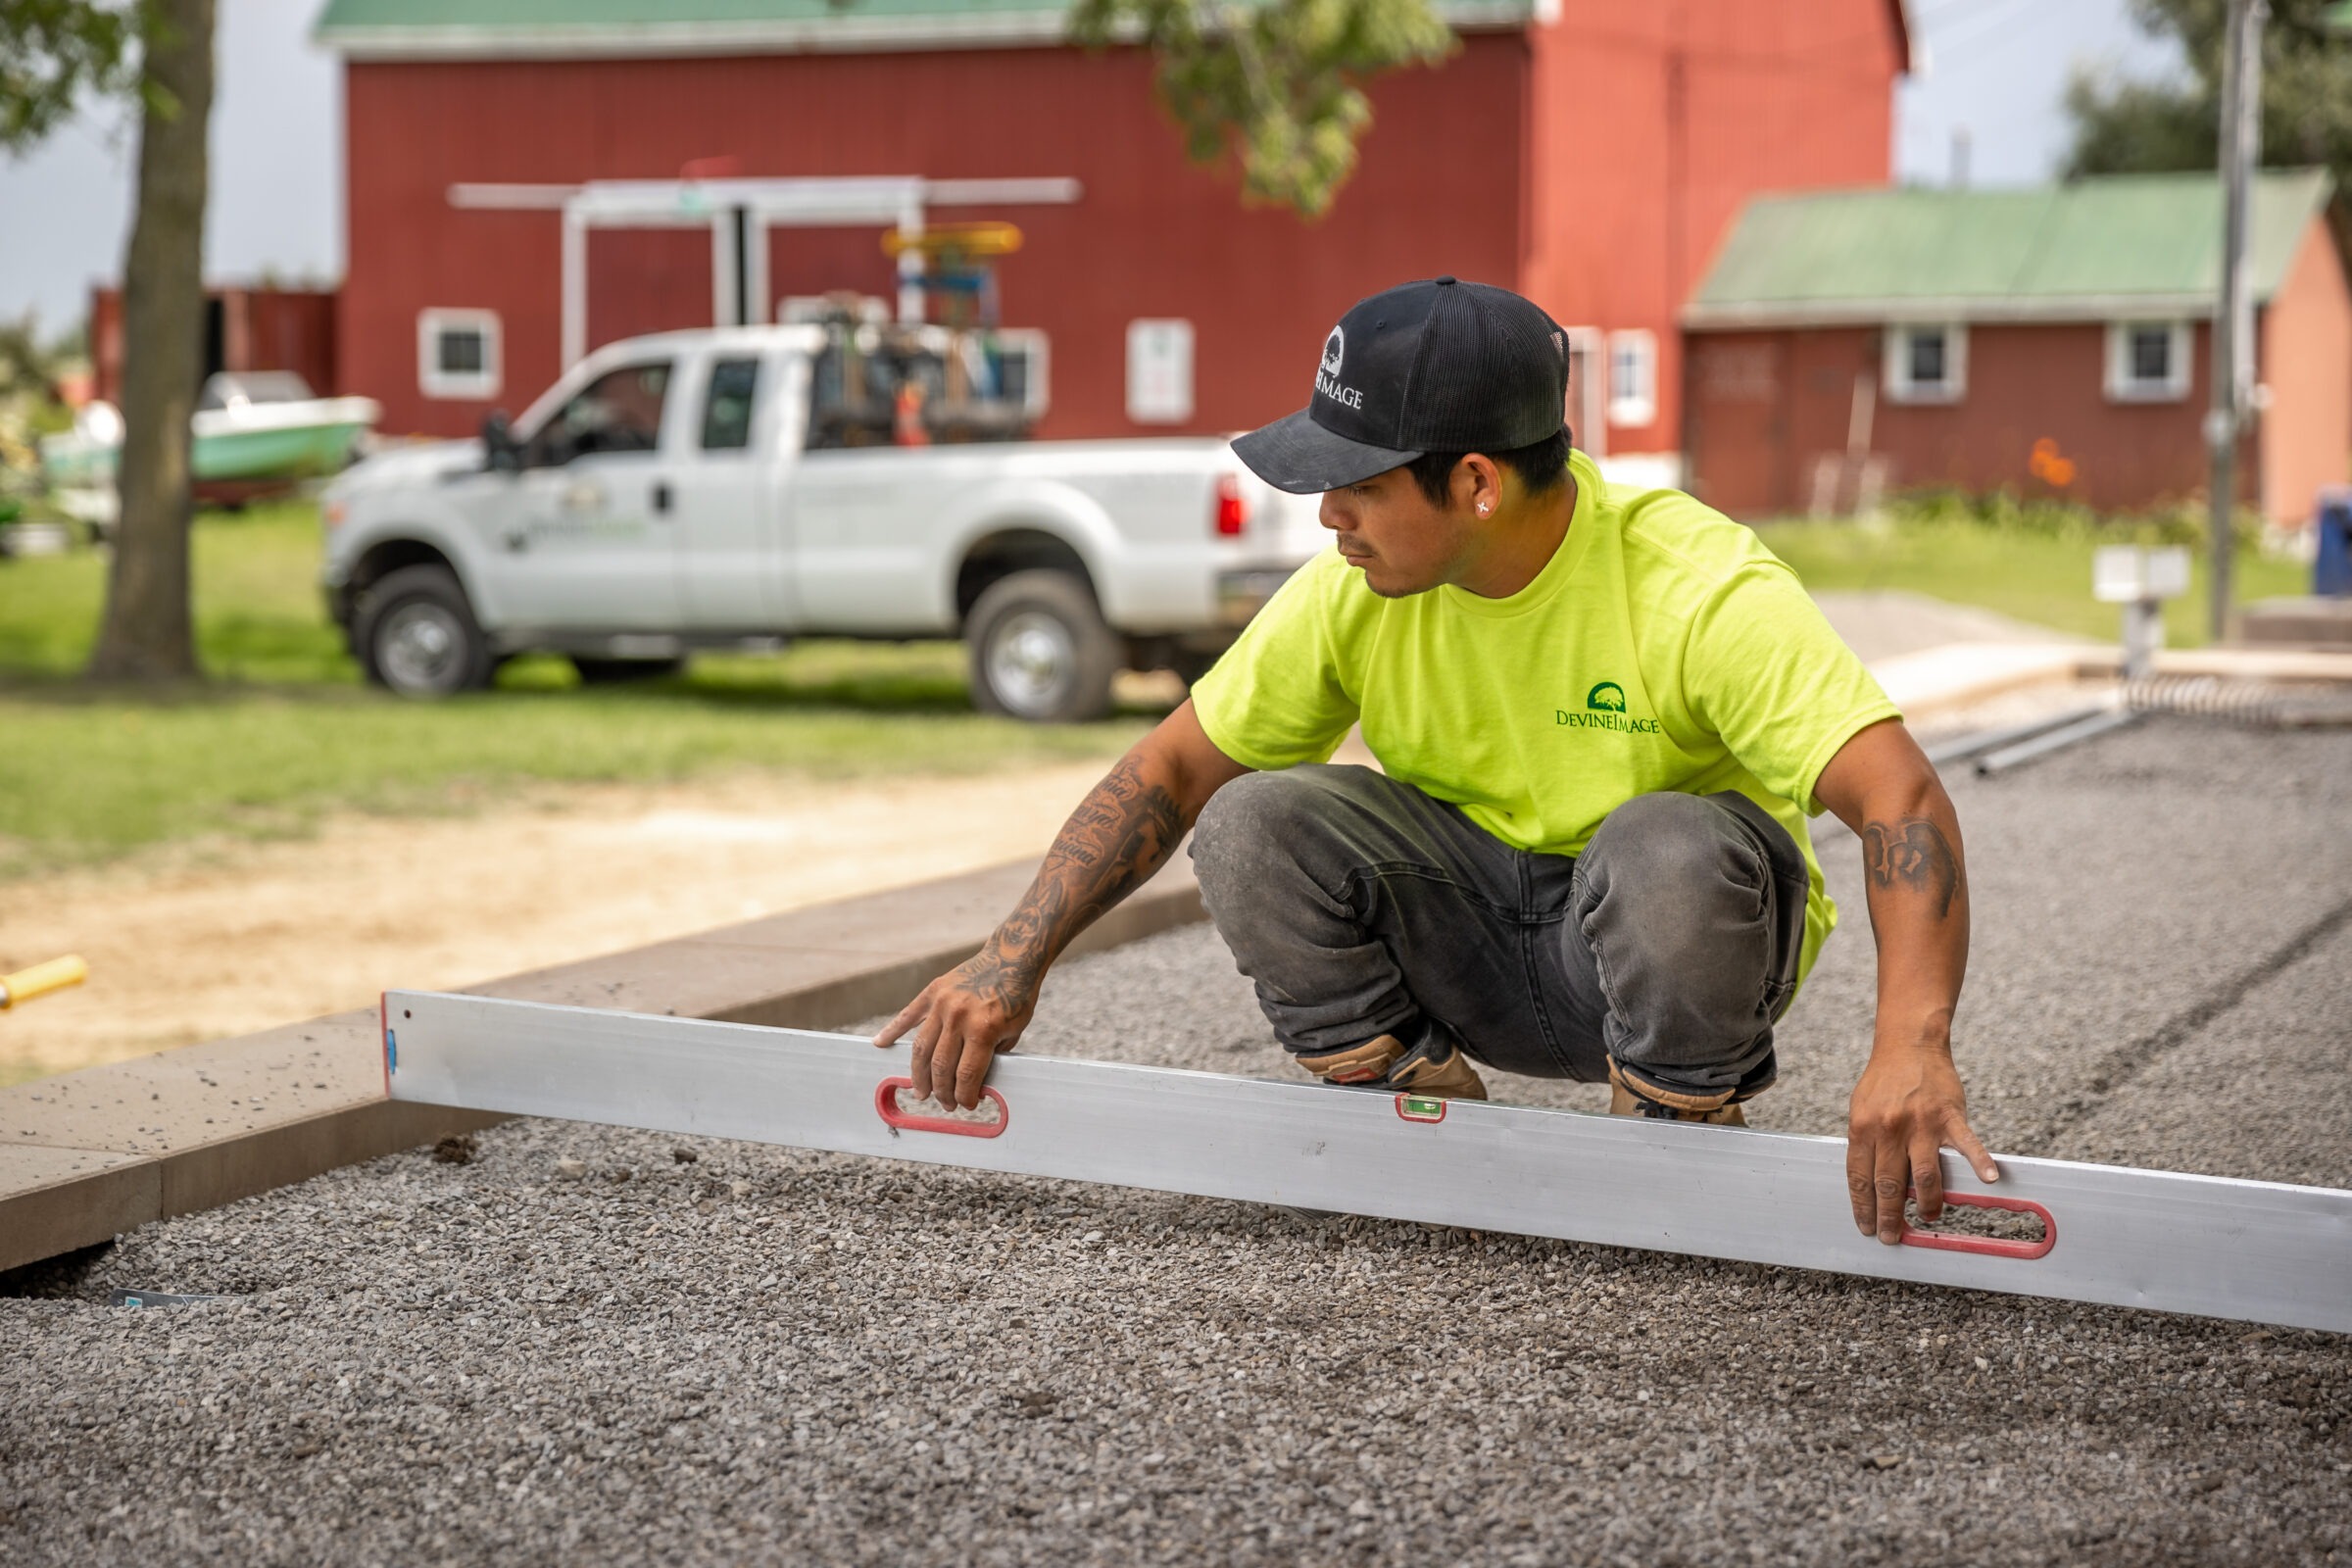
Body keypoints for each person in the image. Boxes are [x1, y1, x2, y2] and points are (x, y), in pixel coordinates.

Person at [876, 276, 1998, 1245]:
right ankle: (1420, 1113)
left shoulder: (1693, 584)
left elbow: (1898, 794)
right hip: (1475, 940)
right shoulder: (1355, 589)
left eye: (1357, 486)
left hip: (1666, 943)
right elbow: (1171, 770)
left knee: (1667, 842)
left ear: (1475, 484)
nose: (1326, 517)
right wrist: (1007, 959)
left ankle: (1675, 1123)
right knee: (1250, 820)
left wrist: (1909, 1044)